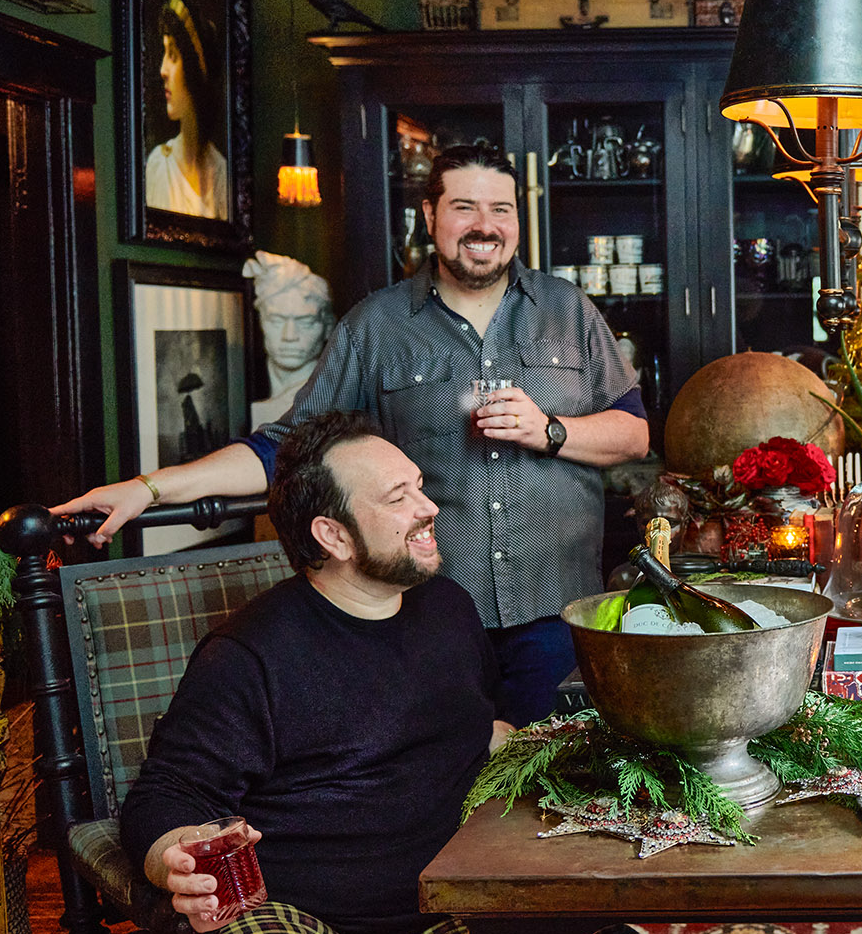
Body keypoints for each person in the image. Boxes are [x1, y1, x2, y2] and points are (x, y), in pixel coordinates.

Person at [55, 142, 650, 724]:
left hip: (557, 613)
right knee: (440, 788)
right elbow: (289, 446)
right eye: (465, 207)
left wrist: (551, 429)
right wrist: (150, 488)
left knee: (553, 786)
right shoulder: (376, 325)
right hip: (423, 614)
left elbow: (633, 435)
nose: (485, 225)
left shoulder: (569, 310)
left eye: (502, 209)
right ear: (429, 215)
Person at [121, 410, 511, 934]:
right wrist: (174, 857)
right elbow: (166, 794)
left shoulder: (449, 608)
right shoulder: (250, 653)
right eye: (397, 497)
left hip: (447, 910)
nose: (427, 509)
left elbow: (485, 729)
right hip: (292, 917)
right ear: (333, 535)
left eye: (419, 487)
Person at [145, 0, 229, 219]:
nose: (163, 70)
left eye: (172, 55)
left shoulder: (223, 175)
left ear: (194, 69)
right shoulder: (159, 165)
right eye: (164, 53)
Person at [240, 250, 335, 428]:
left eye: (306, 322)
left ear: (328, 327)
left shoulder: (328, 401)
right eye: (276, 320)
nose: (289, 336)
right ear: (261, 322)